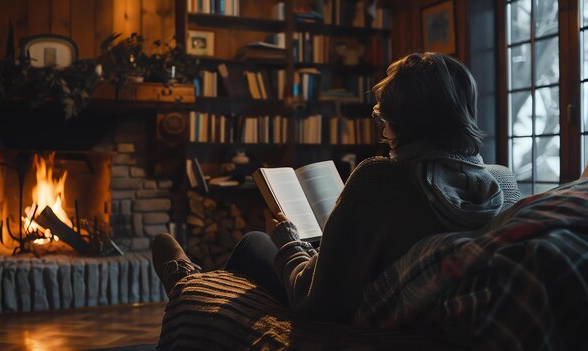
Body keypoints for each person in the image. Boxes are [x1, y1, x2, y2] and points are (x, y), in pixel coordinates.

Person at [152, 52, 506, 323]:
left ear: (402, 121)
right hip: (433, 311)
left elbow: (315, 300)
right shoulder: (504, 182)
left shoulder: (379, 178)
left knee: (254, 243)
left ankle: (190, 289)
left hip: (347, 313)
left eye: (385, 121)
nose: (384, 134)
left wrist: (288, 240)